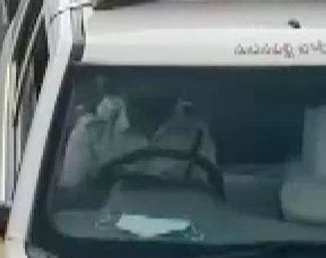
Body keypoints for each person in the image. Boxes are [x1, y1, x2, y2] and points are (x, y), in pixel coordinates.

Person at [59, 82, 217, 191]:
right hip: (102, 233)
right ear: (122, 88)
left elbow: (206, 200)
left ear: (176, 93)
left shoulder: (197, 137)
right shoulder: (92, 133)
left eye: (160, 86)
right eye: (141, 98)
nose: (150, 93)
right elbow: (71, 200)